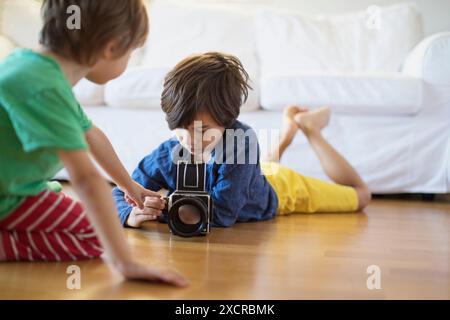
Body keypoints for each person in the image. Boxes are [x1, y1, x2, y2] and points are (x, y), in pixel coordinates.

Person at [0, 0, 187, 287]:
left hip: (18, 187)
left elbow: (91, 134)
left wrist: (130, 186)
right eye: (131, 52)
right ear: (111, 48)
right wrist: (126, 262)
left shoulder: (34, 67)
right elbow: (86, 178)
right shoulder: (43, 86)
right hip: (8, 197)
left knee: (75, 212)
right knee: (92, 235)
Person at [113, 52, 371, 229]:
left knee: (361, 197)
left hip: (281, 190)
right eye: (181, 130)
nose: (189, 141)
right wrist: (129, 215)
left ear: (228, 121)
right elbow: (121, 191)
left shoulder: (242, 140)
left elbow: (224, 213)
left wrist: (164, 208)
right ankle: (287, 132)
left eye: (203, 131)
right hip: (249, 175)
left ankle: (309, 128)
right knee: (257, 169)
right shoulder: (169, 153)